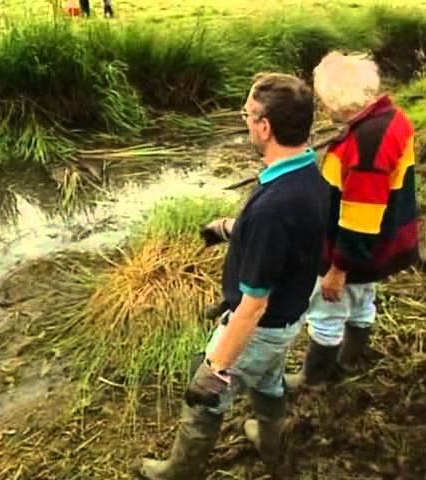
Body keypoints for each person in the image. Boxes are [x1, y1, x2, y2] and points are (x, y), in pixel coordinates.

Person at [132, 73, 330, 479]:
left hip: (260, 326)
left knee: (206, 398)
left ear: (264, 126)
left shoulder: (271, 208)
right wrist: (229, 228)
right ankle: (269, 441)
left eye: (247, 114)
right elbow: (289, 239)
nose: (245, 122)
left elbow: (252, 306)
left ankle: (180, 471)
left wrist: (216, 367)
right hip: (290, 318)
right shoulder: (311, 174)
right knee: (269, 378)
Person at [286, 52, 420, 388]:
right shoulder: (392, 118)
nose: (322, 106)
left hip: (350, 250)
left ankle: (314, 378)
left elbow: (360, 219)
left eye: (323, 99)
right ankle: (353, 356)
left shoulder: (366, 146)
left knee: (328, 311)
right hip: (379, 245)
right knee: (362, 300)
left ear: (336, 99)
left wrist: (337, 270)